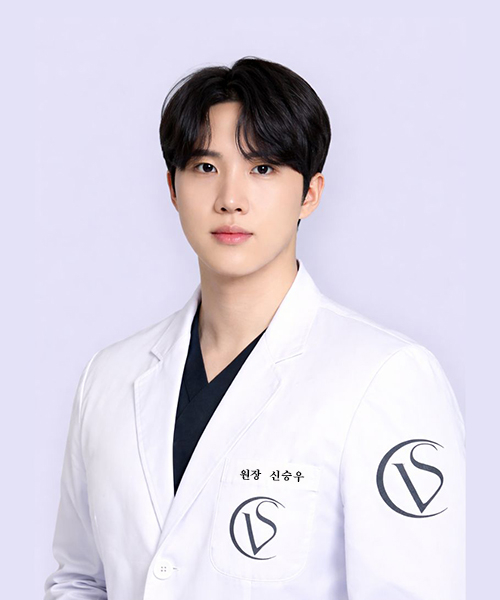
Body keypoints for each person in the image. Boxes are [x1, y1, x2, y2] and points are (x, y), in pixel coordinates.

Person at [44, 57, 465, 600]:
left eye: (262, 168)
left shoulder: (386, 379)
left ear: (309, 193)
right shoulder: (108, 377)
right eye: (205, 167)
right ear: (172, 188)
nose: (230, 199)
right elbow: (79, 580)